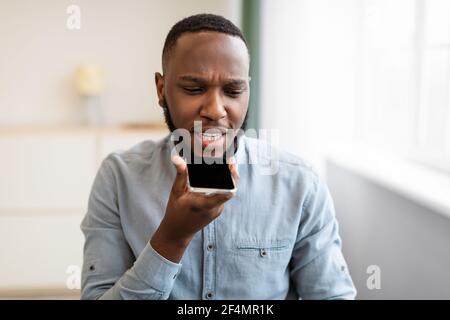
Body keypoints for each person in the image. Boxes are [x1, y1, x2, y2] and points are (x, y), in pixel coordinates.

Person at [80, 13, 356, 300]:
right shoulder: (118, 178)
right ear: (161, 90)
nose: (215, 110)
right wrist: (172, 237)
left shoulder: (300, 183)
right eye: (194, 89)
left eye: (233, 90)